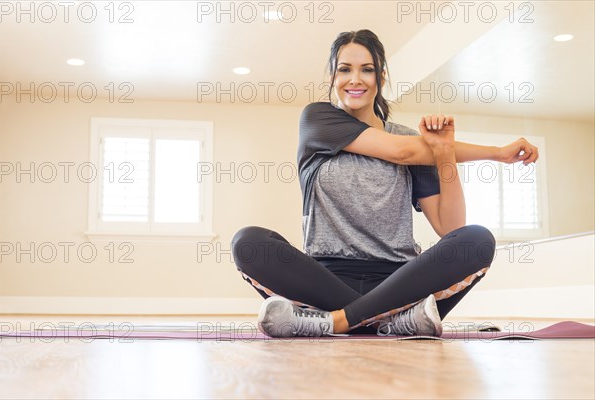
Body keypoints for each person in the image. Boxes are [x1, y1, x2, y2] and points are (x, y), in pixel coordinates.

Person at [231, 29, 539, 338]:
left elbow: (451, 227)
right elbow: (403, 152)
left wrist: (444, 150)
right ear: (331, 77)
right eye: (345, 69)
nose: (355, 79)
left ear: (381, 76)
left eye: (367, 69)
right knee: (248, 242)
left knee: (477, 240)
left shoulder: (412, 139)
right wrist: (497, 153)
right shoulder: (317, 119)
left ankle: (333, 322)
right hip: (326, 279)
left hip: (399, 280)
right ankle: (394, 321)